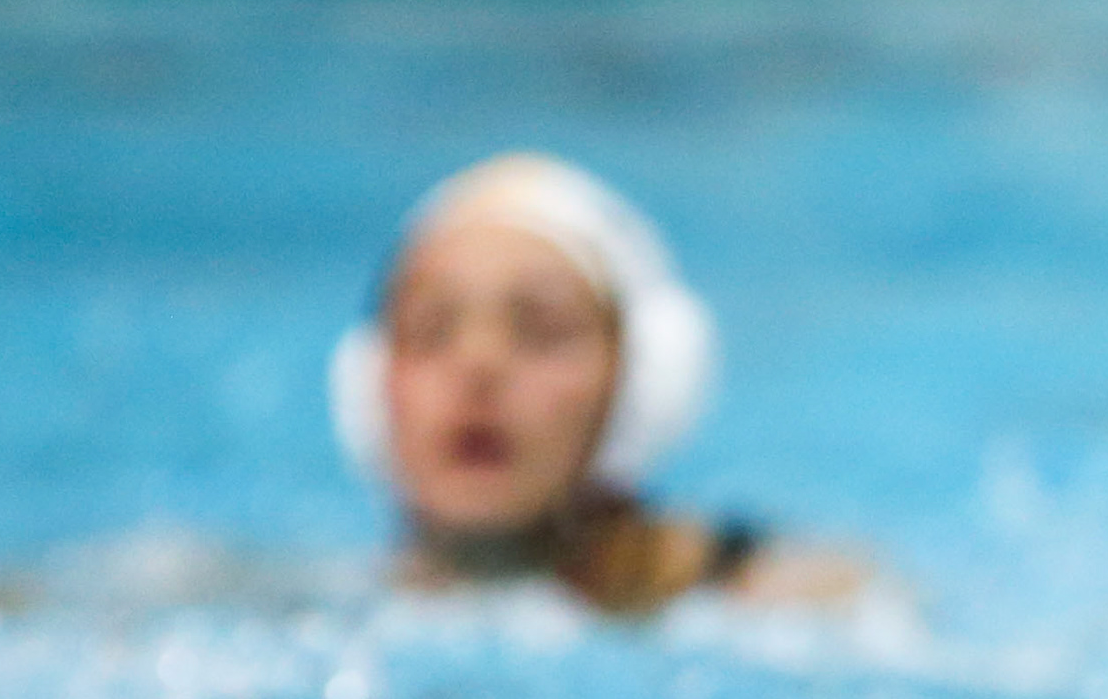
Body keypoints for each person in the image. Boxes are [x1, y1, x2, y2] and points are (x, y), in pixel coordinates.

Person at [329, 152, 851, 613]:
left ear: (637, 384)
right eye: (430, 330)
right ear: (368, 382)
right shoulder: (320, 601)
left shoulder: (774, 601)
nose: (478, 367)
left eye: (542, 332)